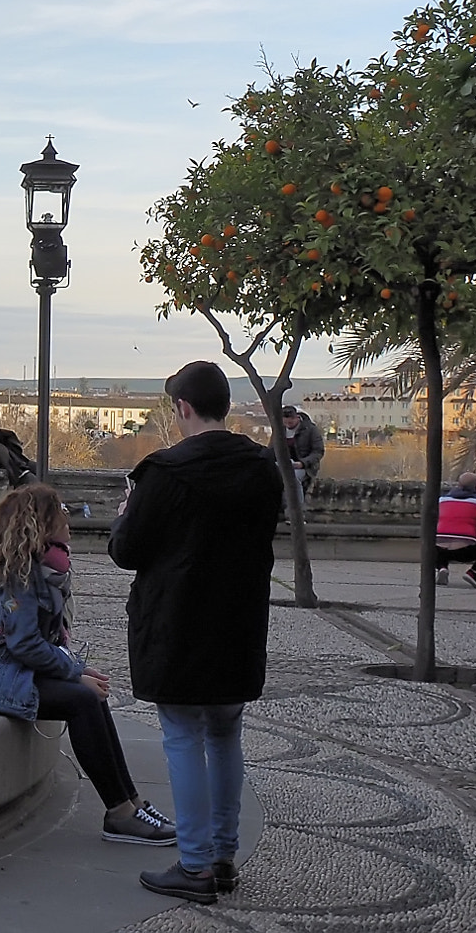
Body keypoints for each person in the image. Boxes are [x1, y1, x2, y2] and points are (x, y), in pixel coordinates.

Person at [110, 360, 282, 904]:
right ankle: (224, 857)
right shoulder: (263, 467)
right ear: (223, 405)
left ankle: (195, 863)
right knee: (226, 732)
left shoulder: (163, 472)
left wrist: (124, 515)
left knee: (183, 735)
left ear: (182, 408)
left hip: (179, 623)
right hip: (239, 620)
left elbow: (127, 551)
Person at [0, 482, 176, 848]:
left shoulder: (35, 565)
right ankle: (120, 813)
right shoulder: (18, 572)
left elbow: (36, 643)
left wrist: (76, 668)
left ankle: (130, 803)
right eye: (61, 514)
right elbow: (26, 643)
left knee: (92, 696)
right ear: (41, 524)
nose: (69, 521)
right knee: (82, 700)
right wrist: (74, 673)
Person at [435, 472, 476, 588]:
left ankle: (442, 567)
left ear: (458, 484)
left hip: (441, 547)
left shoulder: (442, 500)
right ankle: (473, 573)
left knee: (437, 539)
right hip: (467, 547)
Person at [281, 405, 324, 499]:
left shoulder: (310, 429)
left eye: (291, 418)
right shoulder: (280, 430)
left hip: (306, 466)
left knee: (293, 479)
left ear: (297, 417)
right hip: (284, 464)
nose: (288, 422)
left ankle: (298, 507)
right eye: (285, 419)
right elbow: (272, 449)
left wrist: (302, 463)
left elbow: (318, 451)